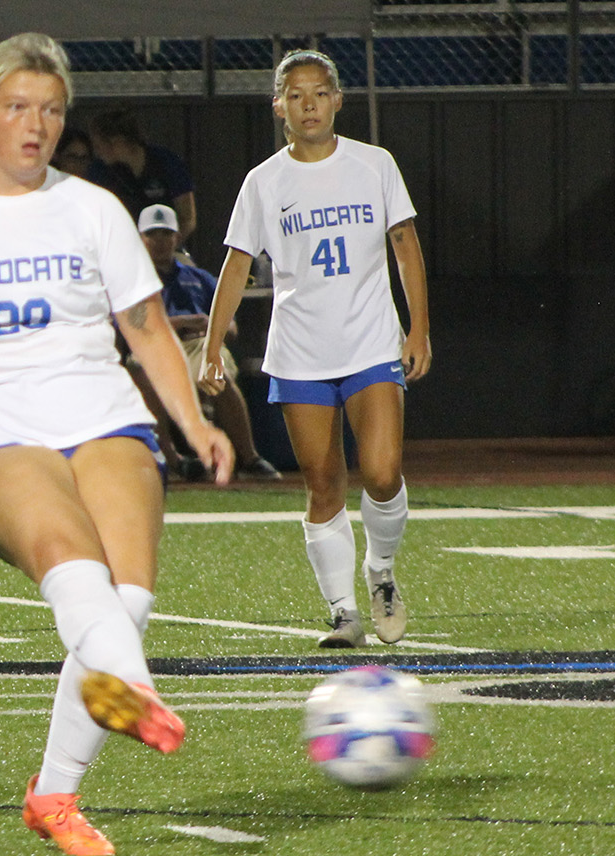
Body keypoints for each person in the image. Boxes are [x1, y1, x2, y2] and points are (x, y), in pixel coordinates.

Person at [0, 33, 234, 856]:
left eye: (51, 109)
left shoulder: (92, 208)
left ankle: (54, 798)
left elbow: (143, 327)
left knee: (126, 601)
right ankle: (131, 689)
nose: (34, 125)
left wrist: (194, 424)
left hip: (102, 415)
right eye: (17, 107)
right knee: (79, 574)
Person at [198, 49, 431, 649]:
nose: (309, 105)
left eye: (320, 93)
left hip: (371, 343)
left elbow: (405, 245)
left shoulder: (374, 165)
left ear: (338, 99)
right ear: (279, 104)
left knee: (381, 473)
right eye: (296, 95)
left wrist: (418, 328)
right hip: (300, 352)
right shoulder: (265, 181)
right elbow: (236, 263)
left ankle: (380, 571)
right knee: (323, 482)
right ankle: (343, 613)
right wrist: (212, 346)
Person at [129, 203, 282, 482]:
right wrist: (188, 322)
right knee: (142, 369)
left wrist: (208, 330)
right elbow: (133, 327)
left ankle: (249, 457)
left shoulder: (199, 278)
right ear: (141, 239)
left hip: (199, 344)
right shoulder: (132, 278)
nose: (160, 241)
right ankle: (170, 458)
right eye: (153, 234)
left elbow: (231, 328)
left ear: (177, 237)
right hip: (155, 347)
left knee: (217, 372)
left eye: (166, 234)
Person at [87, 109, 197, 254]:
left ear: (117, 142)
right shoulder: (99, 171)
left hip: (168, 254)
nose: (97, 151)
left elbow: (187, 219)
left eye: (99, 145)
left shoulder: (167, 163)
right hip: (120, 253)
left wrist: (162, 250)